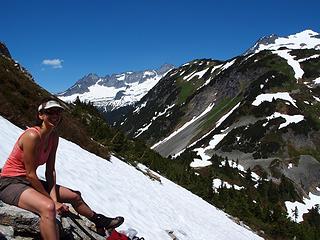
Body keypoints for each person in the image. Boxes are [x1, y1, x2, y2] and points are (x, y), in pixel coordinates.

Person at [0, 98, 124, 239]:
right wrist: (53, 202)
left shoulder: (53, 137)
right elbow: (30, 174)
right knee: (48, 207)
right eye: (50, 112)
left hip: (28, 183)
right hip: (10, 183)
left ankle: (100, 221)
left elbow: (50, 171)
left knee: (75, 196)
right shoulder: (32, 135)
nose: (55, 116)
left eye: (58, 112)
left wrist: (54, 198)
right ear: (40, 115)